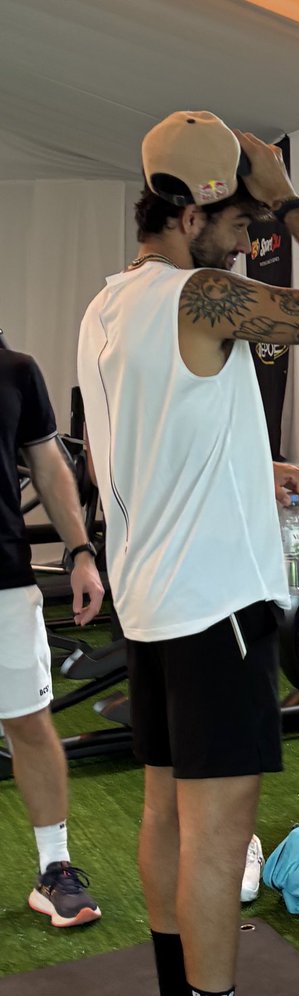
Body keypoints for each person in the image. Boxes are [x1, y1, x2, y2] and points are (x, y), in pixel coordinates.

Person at [76, 110, 299, 996]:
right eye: (247, 219)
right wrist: (295, 199)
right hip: (211, 608)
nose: (256, 240)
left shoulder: (109, 305)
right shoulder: (204, 295)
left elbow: (152, 437)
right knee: (217, 842)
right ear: (195, 206)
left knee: (168, 821)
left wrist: (251, 468)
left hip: (154, 599)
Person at [1, 330, 104, 927]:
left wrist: (82, 551)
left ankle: (55, 870)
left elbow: (46, 462)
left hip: (3, 579)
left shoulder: (15, 370)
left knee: (29, 724)